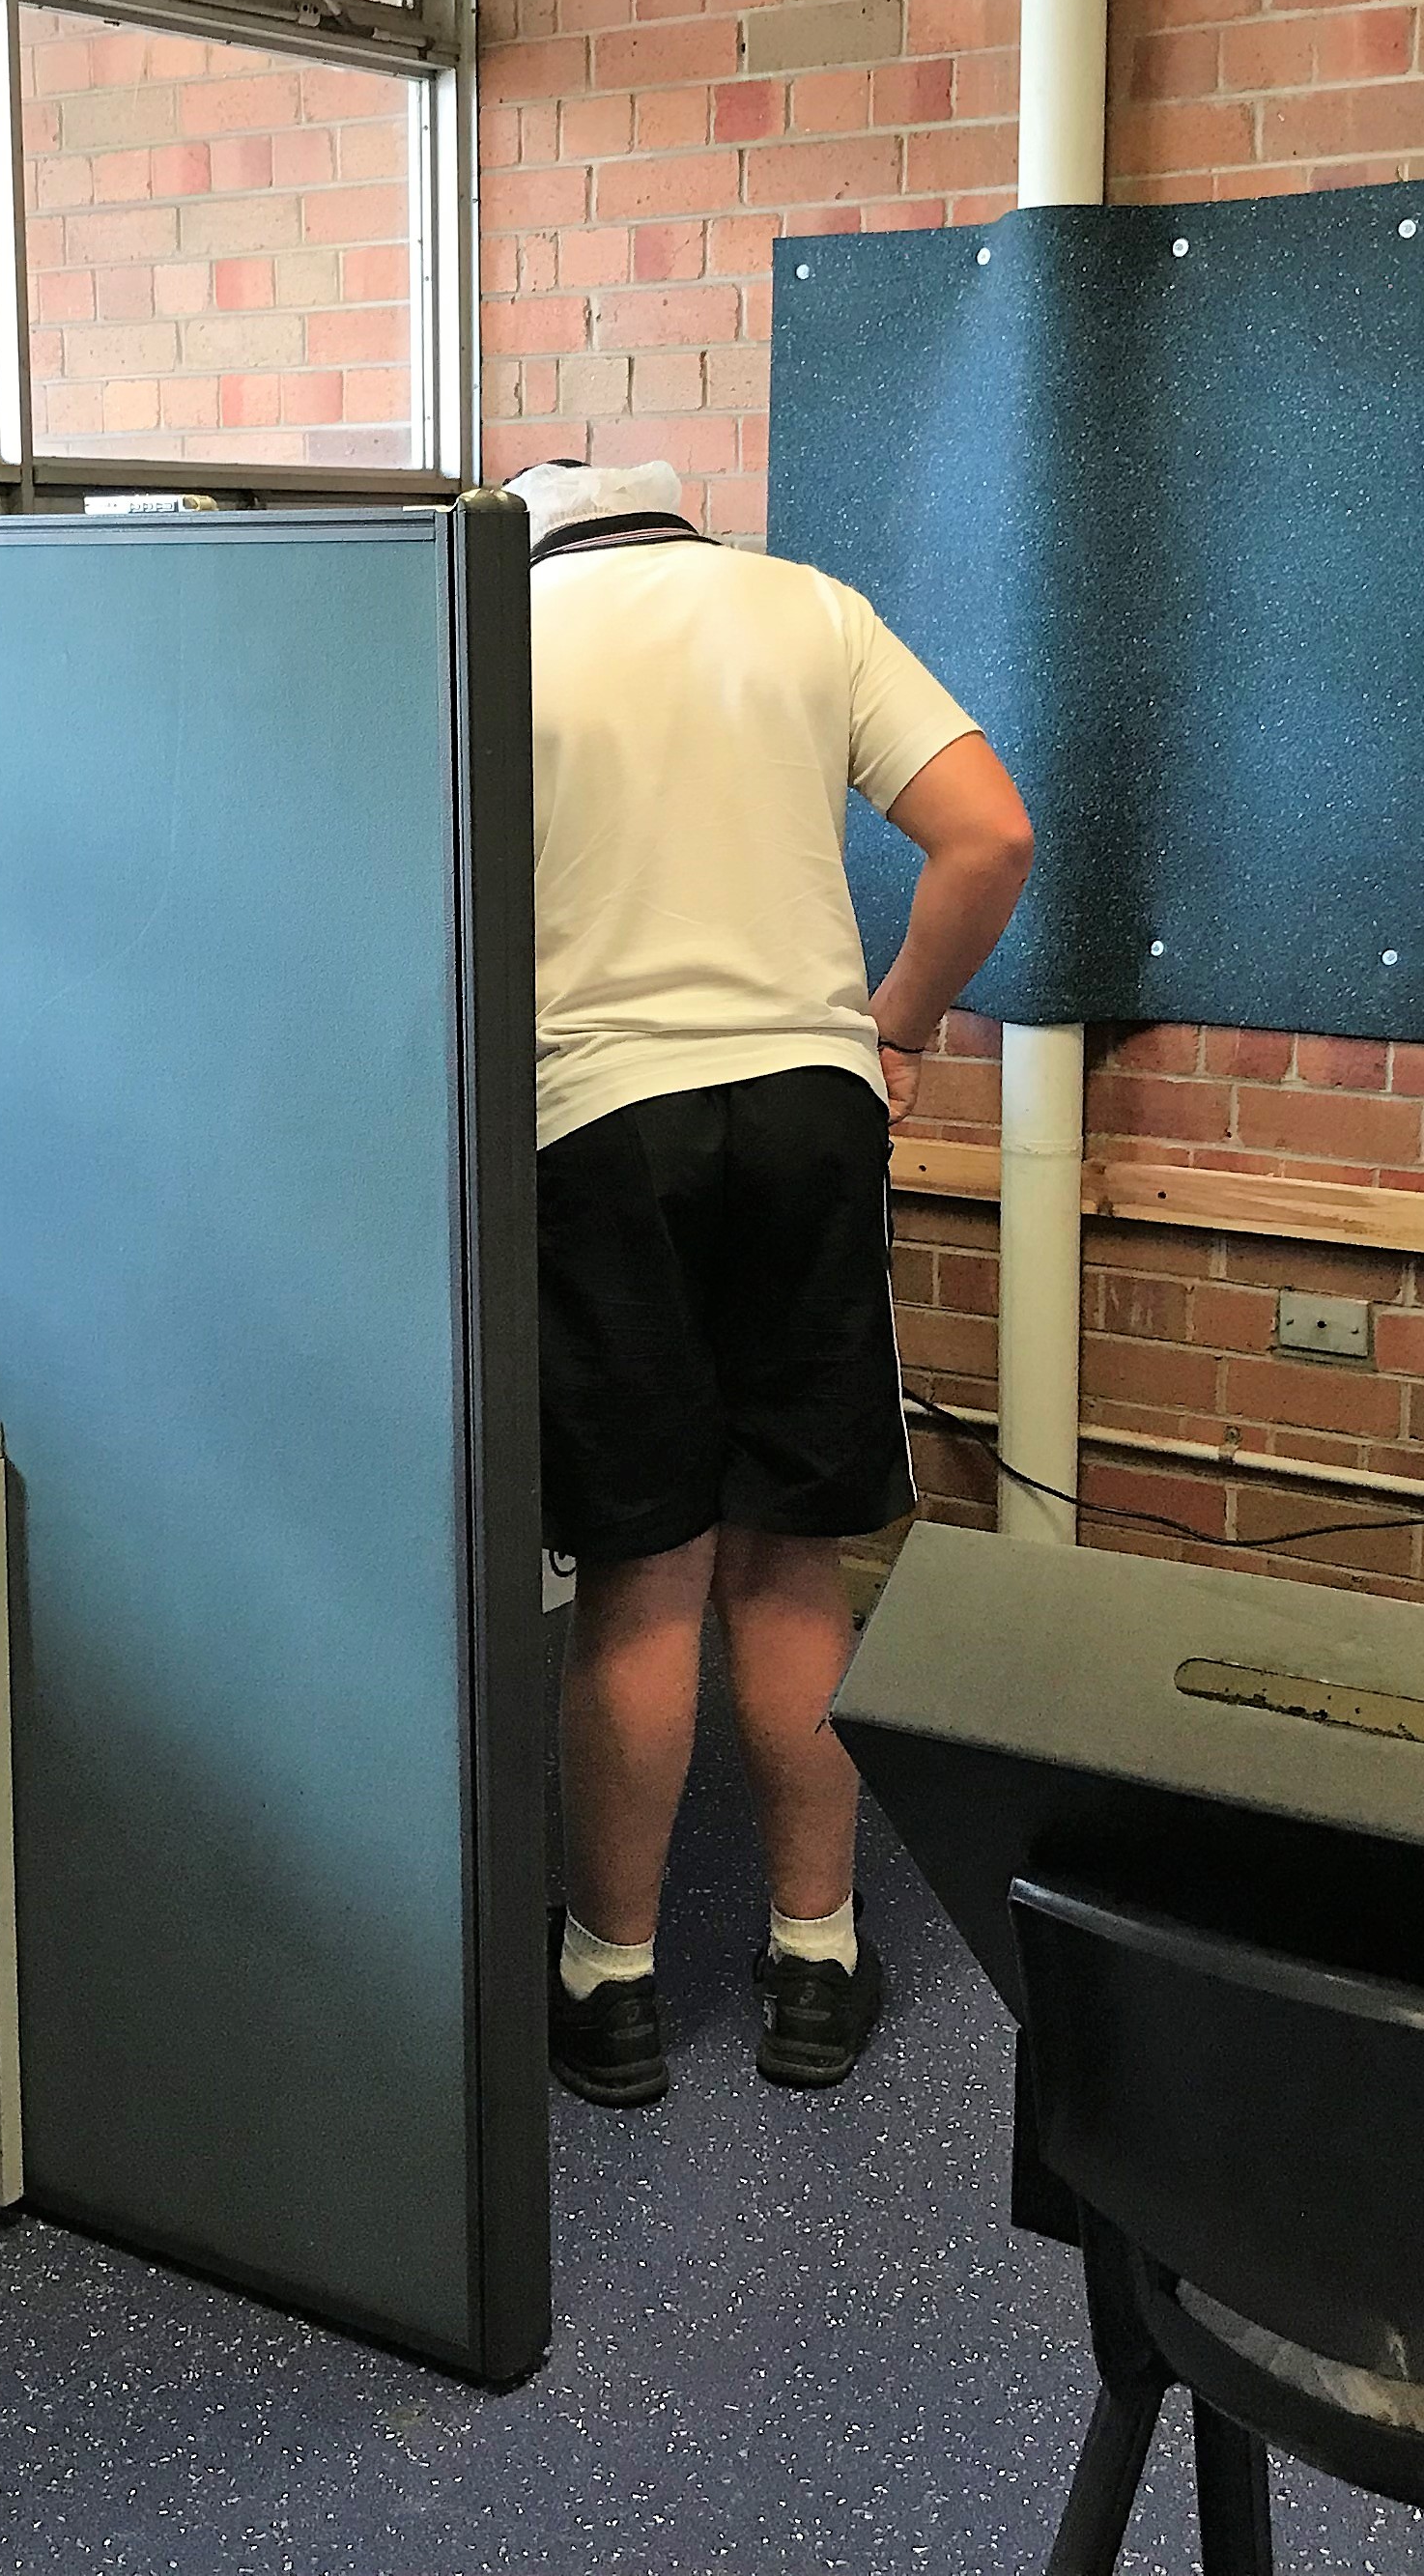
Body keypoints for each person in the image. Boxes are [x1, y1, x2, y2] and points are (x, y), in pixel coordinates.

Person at [515, 456, 1033, 2105]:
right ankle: (815, 1958)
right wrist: (893, 1024)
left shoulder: (497, 625)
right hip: (811, 1114)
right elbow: (990, 834)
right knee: (793, 1566)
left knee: (644, 1575)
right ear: (681, 523)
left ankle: (612, 1986)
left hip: (599, 1122)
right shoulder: (807, 606)